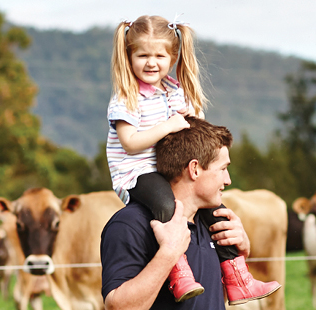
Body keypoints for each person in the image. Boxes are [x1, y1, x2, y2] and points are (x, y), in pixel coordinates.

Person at [104, 15, 280, 305]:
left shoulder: (171, 90)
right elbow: (131, 142)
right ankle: (177, 272)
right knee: (166, 206)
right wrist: (169, 126)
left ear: (172, 57)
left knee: (219, 212)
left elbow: (190, 125)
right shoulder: (126, 98)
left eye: (159, 55)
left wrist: (241, 245)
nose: (151, 62)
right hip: (138, 173)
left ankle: (238, 278)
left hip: (164, 168)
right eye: (142, 55)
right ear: (128, 56)